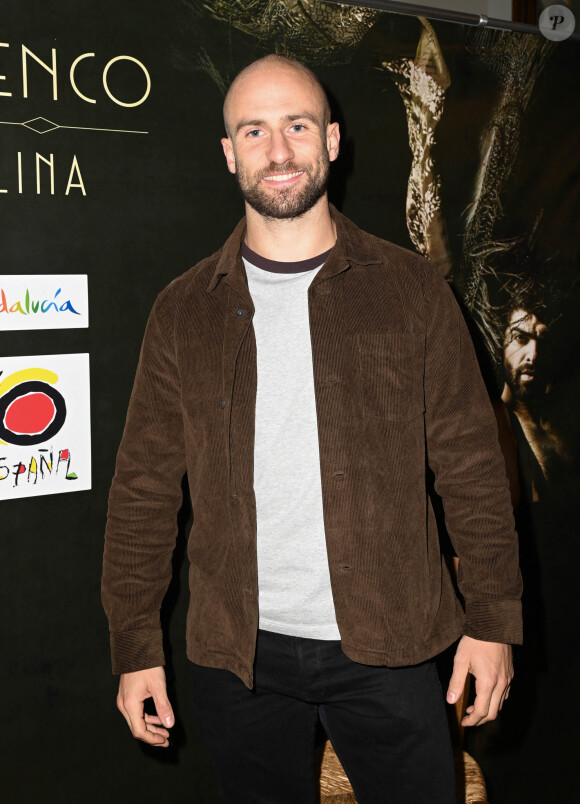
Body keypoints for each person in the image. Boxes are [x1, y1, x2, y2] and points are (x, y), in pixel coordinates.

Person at [102, 55, 522, 804]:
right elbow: (142, 490)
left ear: (331, 139)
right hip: (239, 660)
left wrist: (492, 622)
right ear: (229, 153)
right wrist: (135, 646)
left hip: (393, 646)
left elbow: (472, 469)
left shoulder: (413, 289)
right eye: (254, 130)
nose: (279, 149)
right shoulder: (183, 309)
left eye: (297, 125)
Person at [501, 301, 568, 502]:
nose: (534, 355)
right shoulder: (491, 423)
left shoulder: (564, 424)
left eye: (543, 341)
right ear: (500, 344)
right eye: (521, 338)